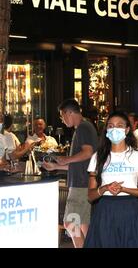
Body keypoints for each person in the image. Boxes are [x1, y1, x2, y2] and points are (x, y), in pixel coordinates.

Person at [84, 111, 138, 248]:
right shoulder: (98, 157)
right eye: (110, 126)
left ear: (127, 130)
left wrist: (123, 189)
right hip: (105, 211)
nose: (114, 129)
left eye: (119, 126)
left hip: (130, 210)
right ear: (106, 130)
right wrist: (104, 188)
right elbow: (90, 196)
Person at [43, 99, 98, 248]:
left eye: (62, 116)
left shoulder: (83, 128)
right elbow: (80, 163)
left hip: (81, 185)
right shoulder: (84, 127)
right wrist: (56, 166)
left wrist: (66, 159)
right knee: (81, 224)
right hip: (82, 182)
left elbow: (88, 153)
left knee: (73, 223)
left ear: (69, 113)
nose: (62, 120)